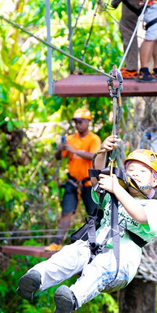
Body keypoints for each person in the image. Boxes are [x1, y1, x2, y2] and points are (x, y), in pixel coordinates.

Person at [17, 138, 157, 313]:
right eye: (131, 170)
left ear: (154, 179)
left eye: (142, 171)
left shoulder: (155, 206)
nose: (135, 174)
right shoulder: (112, 193)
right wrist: (102, 151)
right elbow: (97, 178)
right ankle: (36, 278)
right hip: (93, 247)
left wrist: (117, 190)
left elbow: (141, 217)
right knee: (70, 254)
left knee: (99, 268)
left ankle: (72, 298)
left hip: (120, 263)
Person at [45, 108, 102, 252]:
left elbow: (94, 156)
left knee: (93, 214)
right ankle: (57, 242)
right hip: (72, 182)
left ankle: (96, 243)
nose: (78, 125)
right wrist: (61, 148)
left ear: (88, 122)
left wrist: (73, 150)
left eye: (81, 122)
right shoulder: (71, 139)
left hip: (88, 184)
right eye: (76, 122)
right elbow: (59, 157)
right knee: (66, 212)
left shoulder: (94, 139)